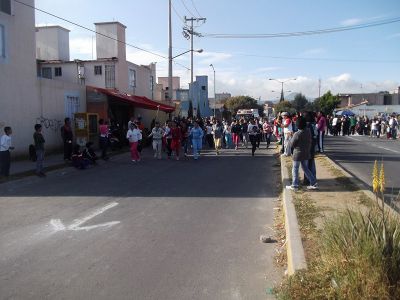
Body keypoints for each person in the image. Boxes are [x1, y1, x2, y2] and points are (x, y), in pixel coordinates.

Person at [286, 117, 318, 191]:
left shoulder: (297, 134)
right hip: (306, 153)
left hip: (298, 154)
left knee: (295, 169)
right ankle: (313, 182)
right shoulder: (308, 131)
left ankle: (294, 185)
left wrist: (291, 136)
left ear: (298, 125)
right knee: (305, 168)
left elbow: (292, 144)